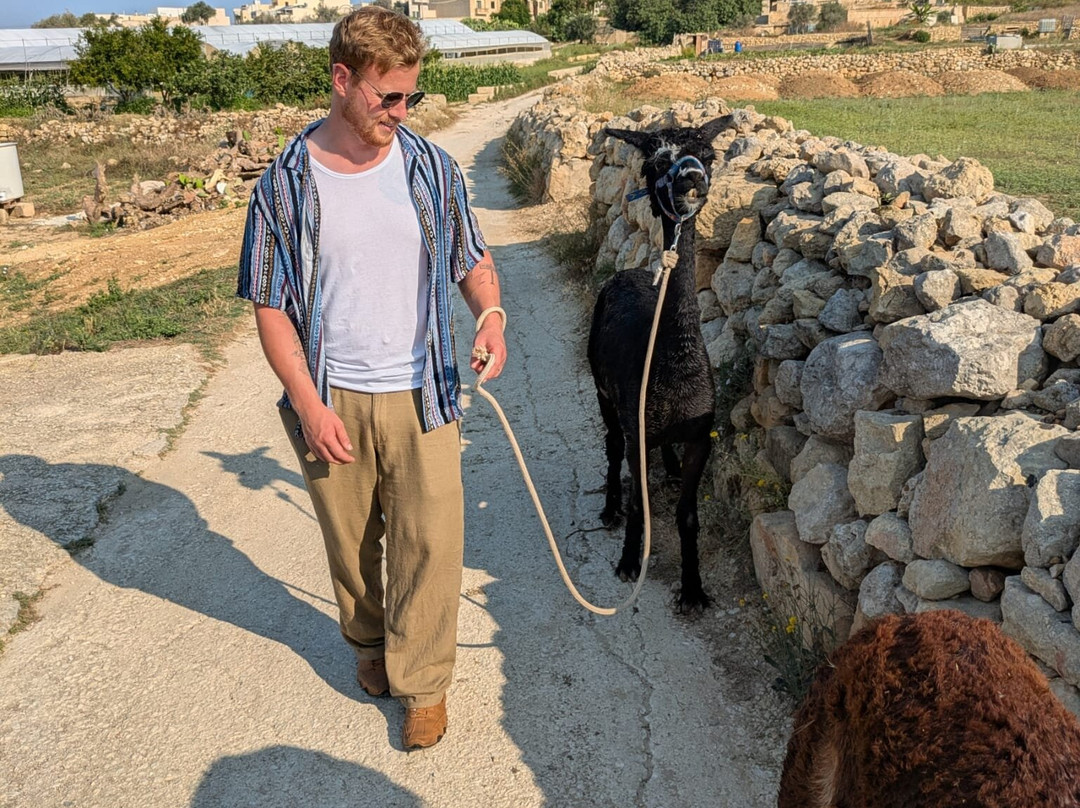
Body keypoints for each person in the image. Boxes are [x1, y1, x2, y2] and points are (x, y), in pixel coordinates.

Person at [237, 6, 507, 750]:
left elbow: (471, 258)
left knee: (431, 546)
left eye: (411, 96)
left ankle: (424, 685)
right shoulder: (283, 186)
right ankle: (367, 644)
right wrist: (308, 404)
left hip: (425, 393)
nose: (402, 112)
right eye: (389, 97)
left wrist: (490, 316)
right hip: (333, 397)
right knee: (352, 549)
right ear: (341, 79)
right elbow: (270, 306)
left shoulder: (430, 168)